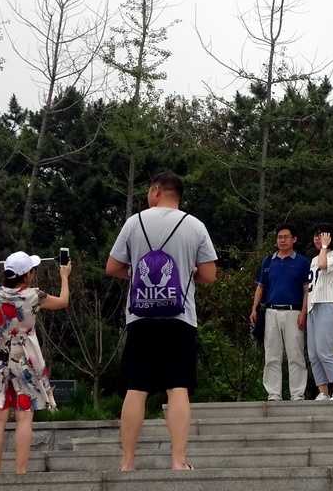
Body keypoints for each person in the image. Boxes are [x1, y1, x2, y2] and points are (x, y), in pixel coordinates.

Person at [106, 171, 217, 471]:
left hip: (140, 317)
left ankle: (127, 462)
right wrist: (187, 271)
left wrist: (138, 275)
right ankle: (178, 461)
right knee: (177, 387)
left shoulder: (134, 222)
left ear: (156, 191)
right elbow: (209, 275)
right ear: (177, 195)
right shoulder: (194, 226)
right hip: (179, 318)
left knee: (136, 387)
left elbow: (112, 266)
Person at [0, 250, 71, 474]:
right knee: (24, 415)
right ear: (28, 274)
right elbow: (63, 302)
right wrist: (64, 277)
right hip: (26, 356)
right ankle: (20, 473)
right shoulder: (34, 295)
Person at [250, 224, 311, 401]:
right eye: (279, 237)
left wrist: (304, 312)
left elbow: (307, 290)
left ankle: (297, 394)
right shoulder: (268, 261)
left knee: (296, 354)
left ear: (294, 239)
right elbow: (260, 287)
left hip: (294, 312)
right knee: (272, 355)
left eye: (286, 237)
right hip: (271, 311)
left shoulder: (302, 262)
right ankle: (273, 393)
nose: (282, 240)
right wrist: (254, 308)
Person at [306, 223, 333, 400]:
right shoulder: (313, 259)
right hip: (312, 307)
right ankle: (323, 392)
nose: (317, 238)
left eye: (320, 235)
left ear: (329, 237)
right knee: (314, 354)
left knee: (325, 351)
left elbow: (324, 265)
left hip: (328, 305)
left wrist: (324, 247)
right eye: (315, 235)